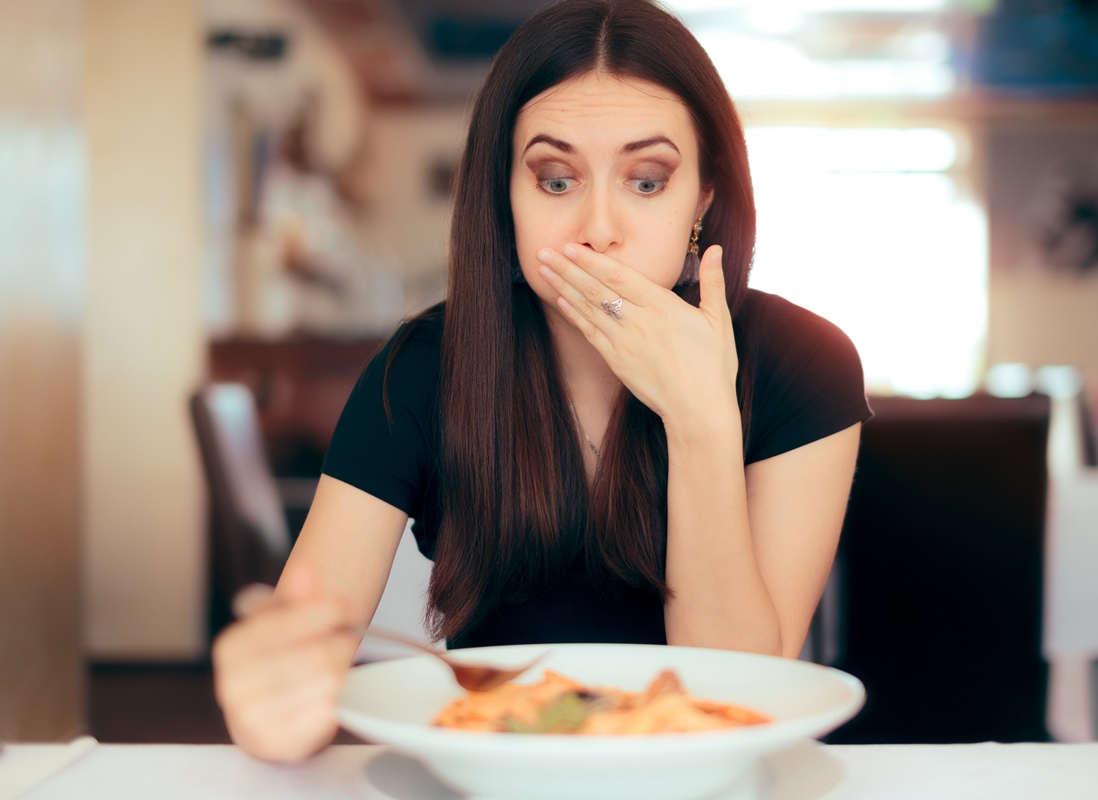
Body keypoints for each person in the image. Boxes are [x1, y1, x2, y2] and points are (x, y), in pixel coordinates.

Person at [213, 0, 871, 762]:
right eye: (556, 180)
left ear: (705, 198)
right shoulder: (422, 368)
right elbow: (304, 645)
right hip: (489, 768)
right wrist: (274, 700)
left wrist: (700, 422)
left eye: (648, 181)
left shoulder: (805, 363)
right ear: (507, 198)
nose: (597, 228)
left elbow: (744, 695)